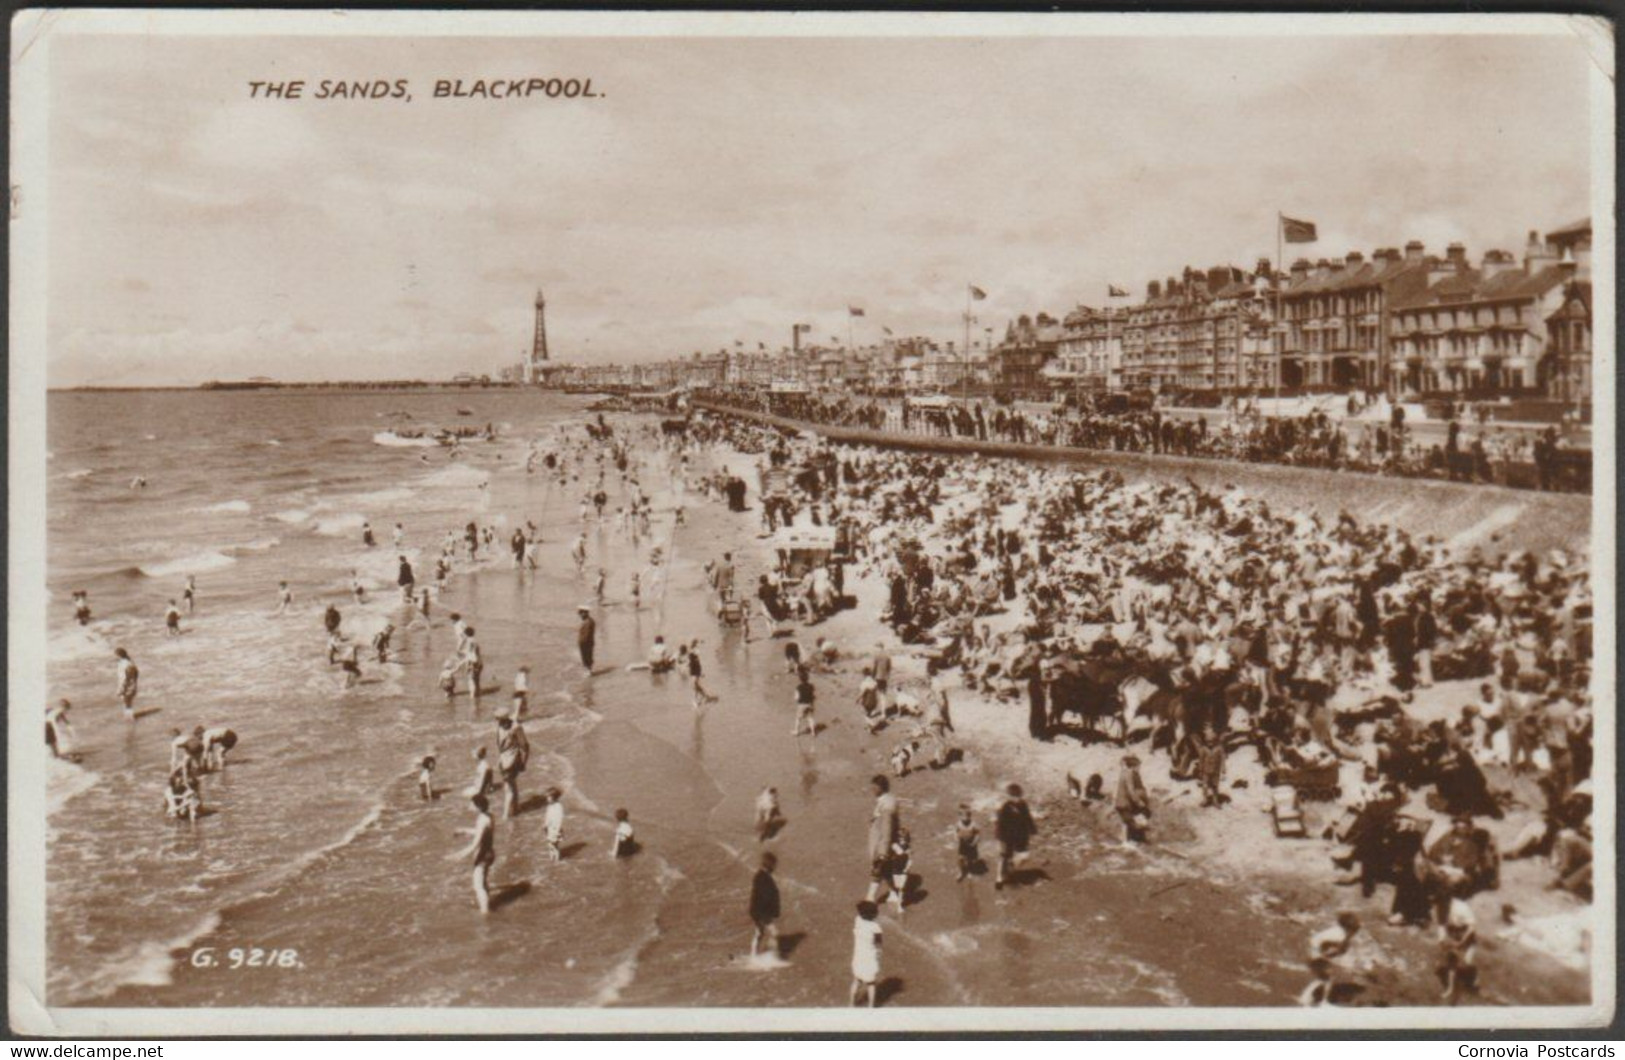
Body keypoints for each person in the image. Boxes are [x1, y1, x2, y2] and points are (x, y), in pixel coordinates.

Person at [450, 793, 495, 914]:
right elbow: (482, 832)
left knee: (478, 886)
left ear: (478, 806)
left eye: (472, 804)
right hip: (490, 853)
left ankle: (485, 913)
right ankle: (488, 905)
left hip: (483, 855)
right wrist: (464, 831)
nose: (470, 806)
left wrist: (459, 855)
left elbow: (476, 844)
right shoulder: (489, 816)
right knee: (483, 883)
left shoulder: (482, 820)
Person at [994, 783, 1037, 889]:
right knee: (1003, 856)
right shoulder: (1005, 808)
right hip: (1007, 836)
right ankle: (999, 878)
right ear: (1009, 796)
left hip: (1020, 835)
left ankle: (1011, 866)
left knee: (1024, 856)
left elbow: (1028, 818)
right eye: (1014, 796)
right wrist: (1000, 838)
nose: (1017, 799)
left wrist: (1032, 829)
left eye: (1019, 796)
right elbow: (1000, 824)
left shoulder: (1023, 805)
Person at [865, 775, 899, 903]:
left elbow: (887, 828)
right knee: (886, 869)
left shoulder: (887, 805)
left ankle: (870, 898)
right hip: (882, 843)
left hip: (882, 844)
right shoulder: (886, 801)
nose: (872, 790)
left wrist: (883, 850)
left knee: (877, 869)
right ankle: (894, 893)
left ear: (880, 788)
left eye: (874, 787)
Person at [749, 851, 782, 958]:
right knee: (772, 932)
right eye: (773, 865)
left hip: (760, 911)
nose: (774, 868)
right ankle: (773, 955)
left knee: (760, 932)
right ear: (769, 865)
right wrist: (769, 912)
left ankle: (754, 954)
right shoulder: (763, 877)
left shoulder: (762, 876)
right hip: (762, 912)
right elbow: (765, 896)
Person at [850, 901, 883, 1008]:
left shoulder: (857, 920)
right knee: (871, 984)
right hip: (869, 958)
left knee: (856, 981)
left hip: (858, 956)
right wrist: (879, 954)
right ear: (874, 914)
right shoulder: (875, 927)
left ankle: (851, 1004)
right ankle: (871, 1007)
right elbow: (878, 943)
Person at [496, 715, 529, 819]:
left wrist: (524, 761)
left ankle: (506, 815)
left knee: (509, 787)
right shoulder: (511, 727)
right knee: (512, 785)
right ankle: (515, 809)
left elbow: (525, 746)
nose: (499, 723)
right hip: (507, 760)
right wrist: (524, 761)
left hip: (509, 761)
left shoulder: (512, 728)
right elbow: (525, 746)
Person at [1114, 754, 1151, 843]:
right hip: (1125, 804)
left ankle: (1127, 842)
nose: (1139, 769)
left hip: (1120, 803)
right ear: (1134, 766)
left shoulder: (1123, 773)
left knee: (1127, 824)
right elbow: (1131, 791)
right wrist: (1139, 802)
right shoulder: (1129, 774)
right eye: (1138, 766)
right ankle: (1129, 844)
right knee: (1134, 824)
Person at [955, 804, 981, 881]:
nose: (964, 818)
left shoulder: (973, 824)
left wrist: (974, 842)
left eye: (967, 816)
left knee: (970, 859)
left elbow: (977, 834)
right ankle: (961, 872)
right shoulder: (959, 823)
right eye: (962, 816)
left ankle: (970, 871)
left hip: (971, 844)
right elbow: (956, 831)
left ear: (970, 816)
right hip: (962, 844)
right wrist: (956, 837)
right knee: (960, 858)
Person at [113, 648, 139, 720]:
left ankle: (129, 718)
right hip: (131, 684)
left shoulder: (125, 664)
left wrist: (122, 689)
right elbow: (136, 673)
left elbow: (125, 678)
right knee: (128, 703)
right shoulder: (129, 662)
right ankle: (129, 717)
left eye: (116, 655)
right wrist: (135, 681)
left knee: (127, 703)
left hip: (127, 685)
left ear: (119, 655)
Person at [791, 672, 817, 739]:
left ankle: (796, 731)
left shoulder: (799, 687)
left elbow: (796, 697)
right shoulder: (811, 686)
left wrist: (796, 700)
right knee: (810, 718)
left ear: (800, 679)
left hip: (802, 704)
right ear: (808, 678)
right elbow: (813, 695)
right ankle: (813, 732)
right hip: (810, 704)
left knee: (798, 718)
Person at [544, 787, 566, 861]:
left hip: (555, 829)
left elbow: (559, 819)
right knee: (550, 844)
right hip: (550, 828)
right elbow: (547, 816)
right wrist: (545, 825)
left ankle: (557, 859)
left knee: (554, 845)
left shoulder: (558, 807)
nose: (547, 799)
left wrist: (557, 830)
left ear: (554, 797)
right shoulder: (550, 806)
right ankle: (552, 858)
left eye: (548, 797)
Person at [577, 606, 596, 673]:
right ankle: (589, 670)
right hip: (586, 642)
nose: (580, 615)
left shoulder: (588, 622)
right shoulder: (588, 621)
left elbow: (587, 635)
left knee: (587, 657)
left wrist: (582, 642)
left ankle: (589, 671)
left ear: (585, 613)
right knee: (587, 657)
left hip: (586, 643)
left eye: (580, 613)